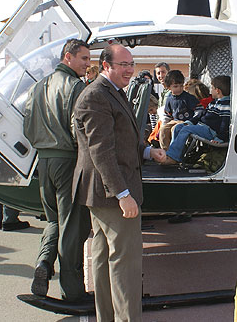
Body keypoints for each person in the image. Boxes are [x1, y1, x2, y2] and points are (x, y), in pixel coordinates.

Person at [73, 44, 166, 321]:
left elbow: (121, 140)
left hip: (102, 193)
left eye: (131, 64)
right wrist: (123, 194)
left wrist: (147, 152)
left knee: (105, 260)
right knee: (125, 265)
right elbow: (101, 151)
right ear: (106, 66)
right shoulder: (96, 96)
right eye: (123, 64)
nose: (129, 70)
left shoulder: (112, 92)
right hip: (111, 193)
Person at [23, 39, 93, 301]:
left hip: (44, 161)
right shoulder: (75, 86)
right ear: (68, 57)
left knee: (54, 220)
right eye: (84, 58)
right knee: (72, 224)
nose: (87, 64)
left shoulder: (38, 86)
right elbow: (79, 130)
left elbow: (27, 127)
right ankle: (72, 291)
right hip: (67, 161)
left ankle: (43, 262)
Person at [161, 75, 231, 164]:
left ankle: (173, 157)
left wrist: (220, 138)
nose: (210, 91)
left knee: (186, 130)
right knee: (178, 127)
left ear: (217, 91)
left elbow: (225, 123)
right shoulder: (214, 102)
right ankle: (176, 155)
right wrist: (190, 122)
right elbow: (201, 114)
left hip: (210, 131)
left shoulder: (225, 105)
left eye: (212, 88)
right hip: (202, 126)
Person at [159, 70, 200, 149]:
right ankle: (166, 151)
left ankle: (176, 152)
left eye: (181, 86)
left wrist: (192, 120)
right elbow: (168, 114)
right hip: (174, 120)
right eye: (176, 86)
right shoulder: (169, 99)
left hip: (186, 121)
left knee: (175, 129)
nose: (179, 89)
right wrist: (165, 123)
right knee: (163, 130)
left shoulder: (188, 98)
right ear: (168, 87)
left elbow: (198, 110)